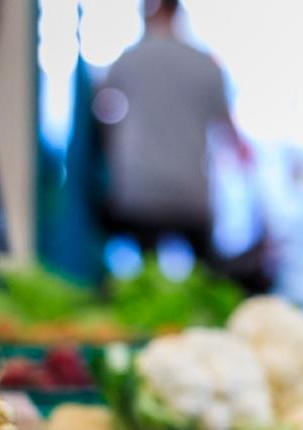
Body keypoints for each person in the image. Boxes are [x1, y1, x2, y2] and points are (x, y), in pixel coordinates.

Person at [97, 0, 246, 264]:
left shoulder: (129, 59)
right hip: (191, 193)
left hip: (138, 190)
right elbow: (229, 132)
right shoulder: (205, 63)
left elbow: (103, 110)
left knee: (145, 279)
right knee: (202, 284)